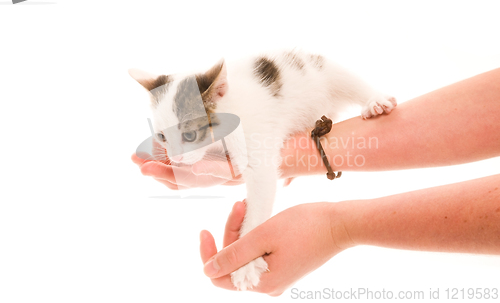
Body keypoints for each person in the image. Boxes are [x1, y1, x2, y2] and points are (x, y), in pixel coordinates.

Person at [132, 68, 500, 296]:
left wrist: (333, 229)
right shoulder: (221, 112)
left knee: (322, 72)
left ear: (221, 93)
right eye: (164, 140)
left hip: (308, 84)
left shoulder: (240, 102)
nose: (175, 156)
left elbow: (261, 169)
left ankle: (366, 94)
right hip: (294, 110)